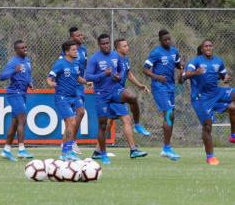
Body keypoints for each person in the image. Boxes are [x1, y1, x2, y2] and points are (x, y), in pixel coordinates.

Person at [86, 34, 147, 164]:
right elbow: (88, 77)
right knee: (103, 125)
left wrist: (118, 76)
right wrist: (104, 74)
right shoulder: (94, 59)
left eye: (107, 43)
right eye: (103, 44)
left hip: (115, 90)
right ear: (99, 45)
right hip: (101, 94)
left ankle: (137, 125)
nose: (106, 45)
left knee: (132, 96)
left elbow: (121, 70)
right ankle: (103, 154)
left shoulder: (115, 56)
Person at [183, 40, 235, 165]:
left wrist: (225, 78)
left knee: (233, 107)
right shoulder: (195, 61)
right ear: (201, 49)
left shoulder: (218, 61)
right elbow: (184, 75)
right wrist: (195, 72)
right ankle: (210, 157)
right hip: (201, 98)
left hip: (216, 93)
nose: (208, 47)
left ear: (213, 47)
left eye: (210, 46)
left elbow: (223, 76)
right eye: (205, 46)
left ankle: (233, 134)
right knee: (207, 126)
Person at [143, 29, 183, 161]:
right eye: (165, 40)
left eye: (169, 39)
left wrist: (181, 69)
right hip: (159, 87)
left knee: (172, 116)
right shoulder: (156, 52)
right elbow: (145, 69)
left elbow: (178, 64)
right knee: (168, 113)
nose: (168, 41)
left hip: (170, 87)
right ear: (160, 40)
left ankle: (167, 147)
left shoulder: (174, 51)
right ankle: (166, 148)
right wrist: (156, 77)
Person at [47, 40, 86, 161]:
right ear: (67, 52)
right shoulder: (60, 63)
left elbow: (77, 77)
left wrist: (86, 82)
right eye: (74, 50)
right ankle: (67, 152)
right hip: (62, 98)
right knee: (71, 122)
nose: (76, 52)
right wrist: (51, 84)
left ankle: (66, 152)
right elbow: (49, 78)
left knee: (77, 117)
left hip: (74, 96)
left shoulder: (75, 63)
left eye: (76, 49)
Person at [0, 40, 34, 161]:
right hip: (14, 93)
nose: (25, 49)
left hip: (23, 93)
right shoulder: (13, 62)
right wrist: (14, 70)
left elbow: (28, 75)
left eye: (25, 47)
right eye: (22, 48)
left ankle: (6, 150)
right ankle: (21, 149)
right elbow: (1, 76)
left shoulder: (27, 61)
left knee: (15, 123)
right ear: (16, 50)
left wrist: (30, 82)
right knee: (22, 118)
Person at [60, 27, 87, 155]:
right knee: (71, 119)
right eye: (77, 35)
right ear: (72, 38)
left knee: (80, 112)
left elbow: (83, 66)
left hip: (79, 86)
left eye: (81, 34)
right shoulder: (65, 54)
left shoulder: (84, 50)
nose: (81, 37)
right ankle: (68, 144)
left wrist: (84, 80)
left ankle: (71, 142)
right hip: (69, 88)